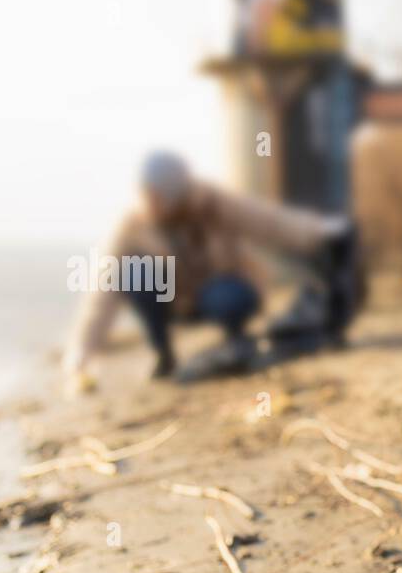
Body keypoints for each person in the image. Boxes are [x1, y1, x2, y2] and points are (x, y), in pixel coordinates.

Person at [63, 151, 362, 392]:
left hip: (222, 291)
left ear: (176, 192)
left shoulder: (212, 203)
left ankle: (235, 338)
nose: (150, 203)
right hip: (175, 301)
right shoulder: (131, 225)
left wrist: (320, 230)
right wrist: (81, 352)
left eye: (158, 196)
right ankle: (163, 354)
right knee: (131, 272)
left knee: (228, 297)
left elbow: (269, 222)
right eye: (147, 194)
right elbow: (102, 293)